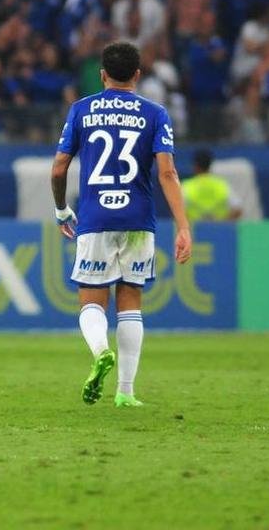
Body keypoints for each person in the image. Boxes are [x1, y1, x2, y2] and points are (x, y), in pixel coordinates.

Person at [50, 40, 192, 409]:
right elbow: (167, 172)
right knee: (130, 303)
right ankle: (126, 392)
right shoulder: (155, 113)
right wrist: (183, 226)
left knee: (91, 301)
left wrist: (61, 208)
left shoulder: (81, 110)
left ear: (102, 75)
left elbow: (59, 167)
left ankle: (100, 352)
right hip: (137, 218)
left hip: (95, 218)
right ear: (138, 75)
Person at [182, 148, 243, 221]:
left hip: (193, 229)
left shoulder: (186, 186)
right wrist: (222, 224)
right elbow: (238, 209)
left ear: (195, 166)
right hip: (219, 230)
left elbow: (177, 210)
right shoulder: (222, 185)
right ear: (210, 165)